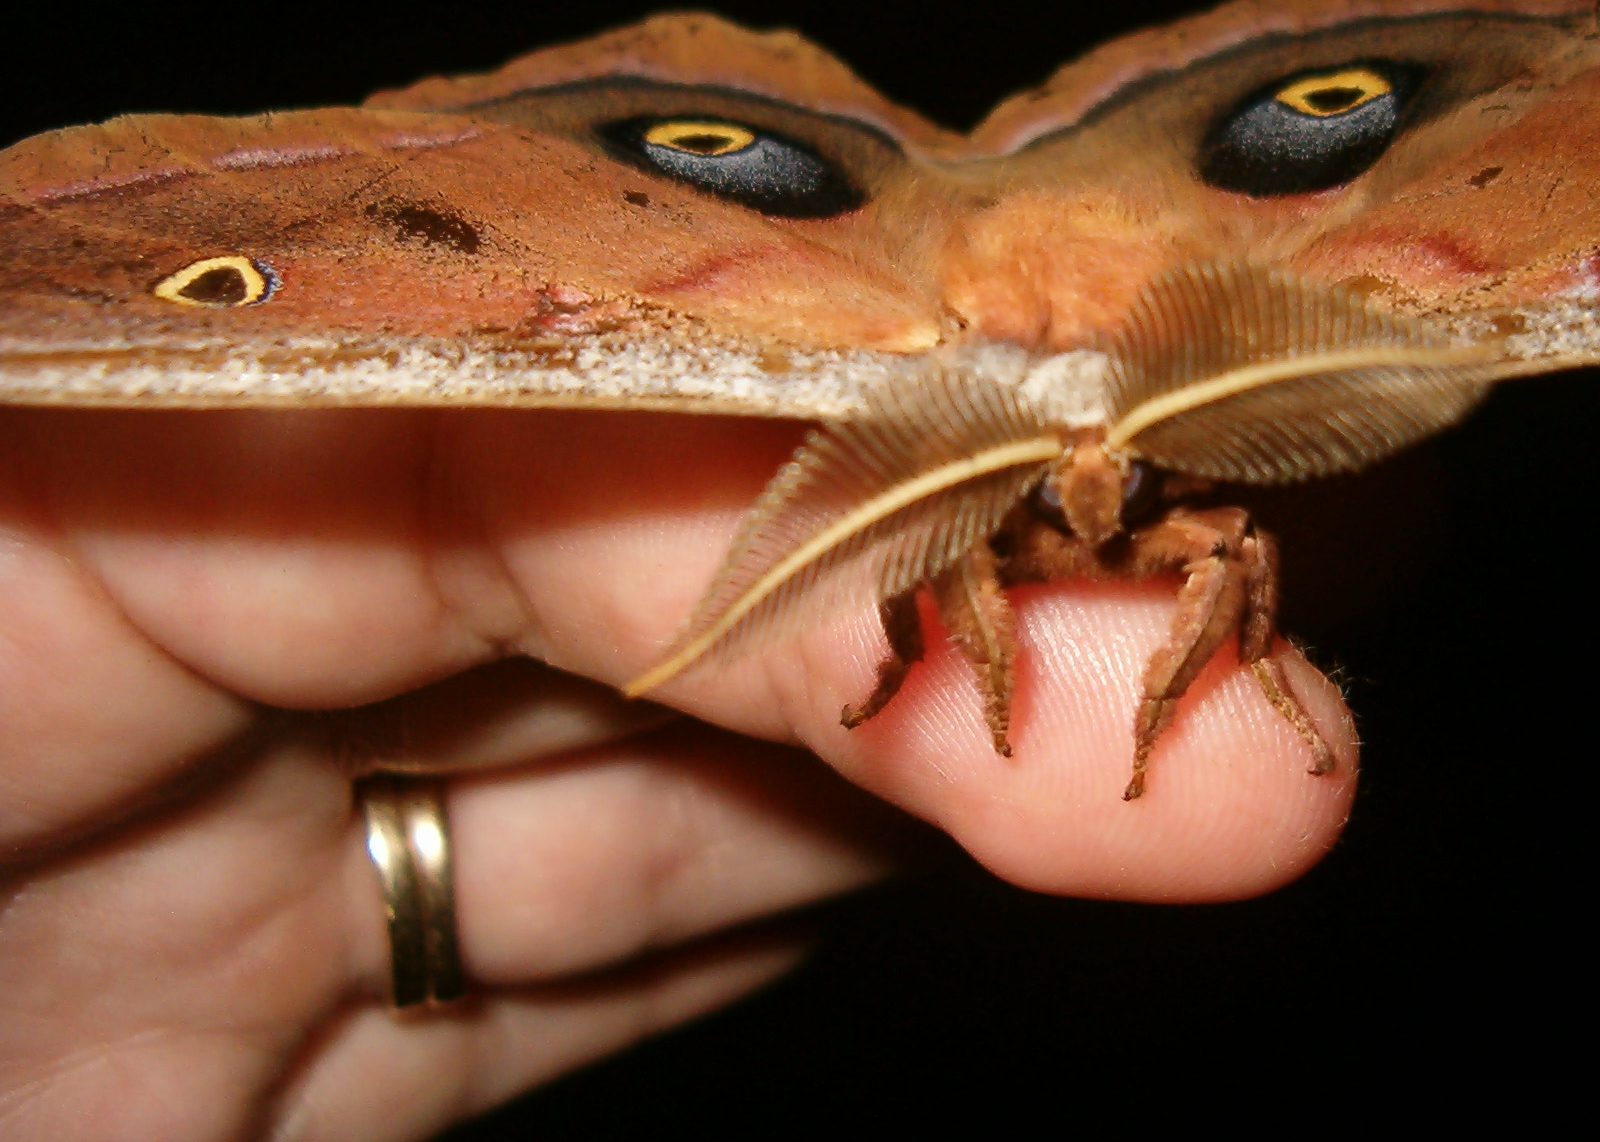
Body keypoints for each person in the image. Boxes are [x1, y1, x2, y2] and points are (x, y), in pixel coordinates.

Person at [0, 406, 1354, 1139]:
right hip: (953, 545)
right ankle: (931, 687)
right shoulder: (984, 508)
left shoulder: (1186, 516)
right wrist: (940, 675)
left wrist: (1189, 692)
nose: (1102, 496)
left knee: (1239, 563)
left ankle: (1176, 715)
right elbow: (920, 559)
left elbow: (1246, 547)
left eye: (1124, 473)